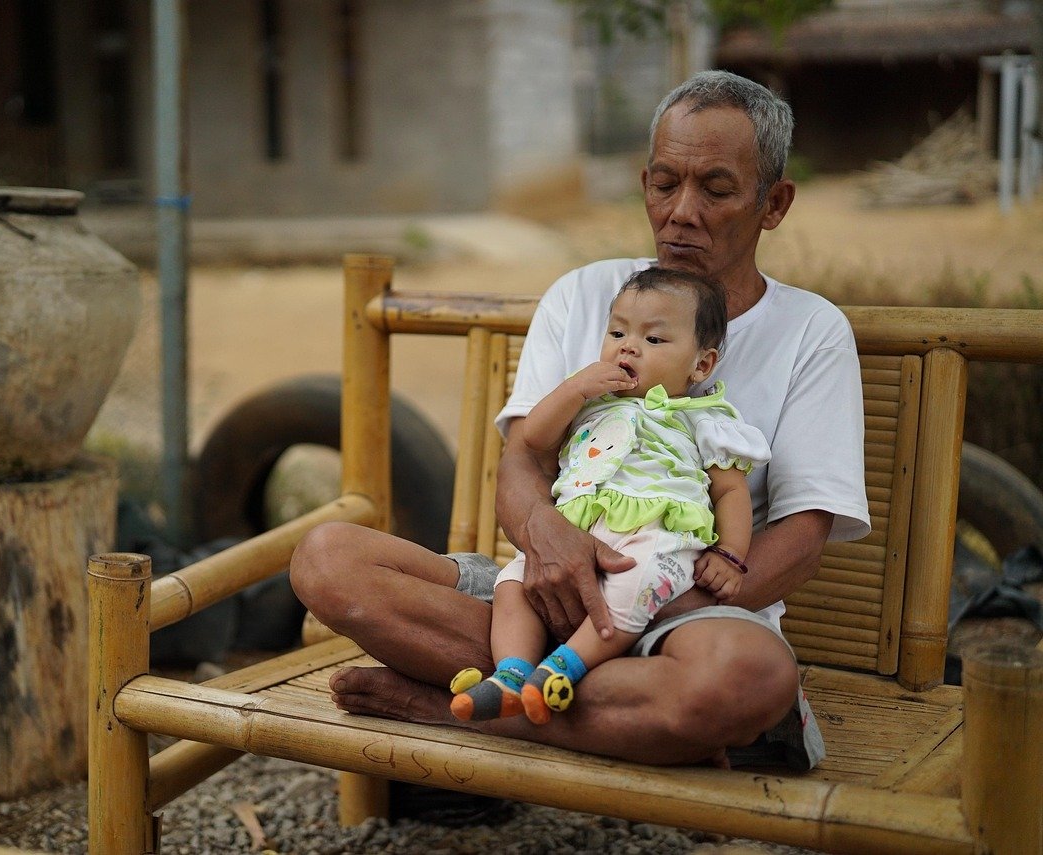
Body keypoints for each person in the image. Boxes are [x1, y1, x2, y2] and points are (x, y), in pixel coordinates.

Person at [290, 69, 869, 769]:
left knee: (751, 678)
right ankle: (604, 706)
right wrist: (551, 546)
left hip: (684, 611)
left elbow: (804, 534)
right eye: (663, 184)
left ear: (773, 203)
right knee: (326, 560)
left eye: (715, 189)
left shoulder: (812, 329)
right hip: (539, 584)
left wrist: (645, 610)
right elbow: (524, 461)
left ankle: (449, 707)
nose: (681, 211)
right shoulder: (586, 294)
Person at [450, 266, 770, 727]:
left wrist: (732, 554)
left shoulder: (704, 418)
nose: (628, 346)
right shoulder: (588, 403)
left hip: (656, 534)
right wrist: (573, 388)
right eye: (617, 332)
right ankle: (511, 674)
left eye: (655, 340)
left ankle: (564, 667)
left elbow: (730, 491)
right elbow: (535, 439)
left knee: (636, 586)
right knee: (513, 583)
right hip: (575, 528)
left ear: (700, 365)